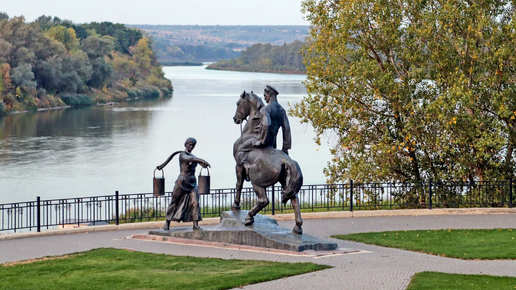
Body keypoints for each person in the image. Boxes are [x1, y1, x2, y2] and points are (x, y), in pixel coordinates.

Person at [239, 85, 292, 181]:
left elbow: (267, 124)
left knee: (241, 148)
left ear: (270, 94)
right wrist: (285, 148)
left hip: (263, 142)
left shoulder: (265, 110)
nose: (264, 98)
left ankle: (247, 167)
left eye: (265, 95)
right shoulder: (282, 111)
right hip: (273, 144)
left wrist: (261, 141)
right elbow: (286, 129)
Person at [156, 137, 210, 230]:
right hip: (182, 182)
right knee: (175, 202)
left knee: (195, 202)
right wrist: (201, 160)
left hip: (192, 182)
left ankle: (195, 224)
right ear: (185, 144)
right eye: (189, 144)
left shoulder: (192, 155)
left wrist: (202, 164)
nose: (191, 146)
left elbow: (195, 160)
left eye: (193, 145)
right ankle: (167, 223)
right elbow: (190, 159)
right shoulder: (182, 155)